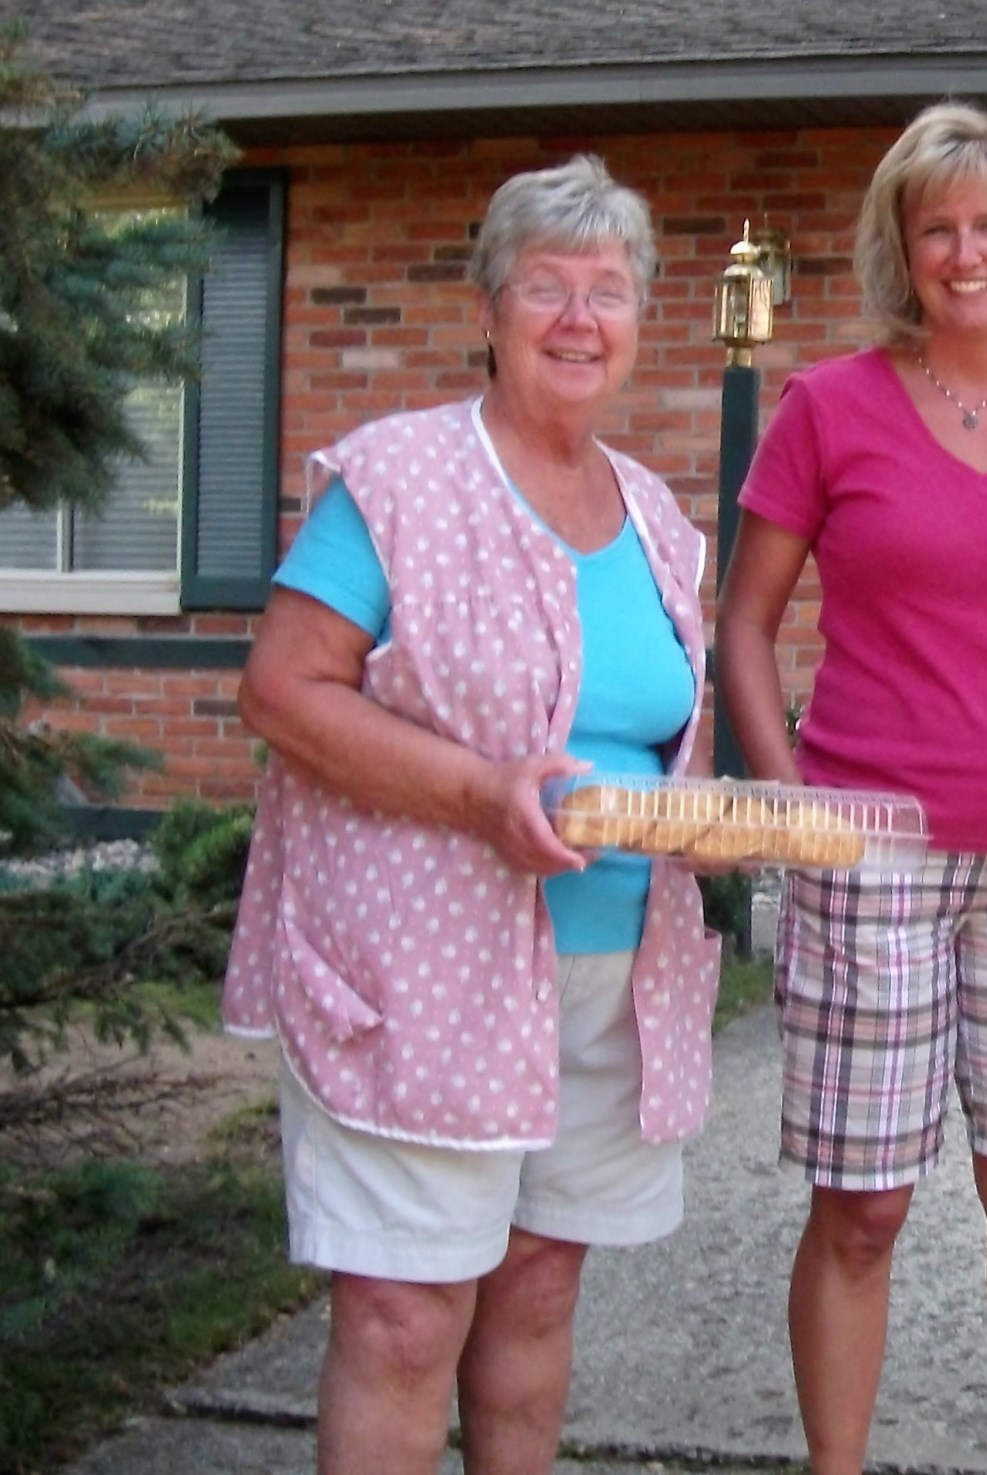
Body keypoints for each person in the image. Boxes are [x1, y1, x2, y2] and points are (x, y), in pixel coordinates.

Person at [223, 155, 721, 1475]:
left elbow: (652, 730)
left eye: (608, 290)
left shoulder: (655, 516)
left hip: (608, 973)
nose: (579, 318)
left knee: (539, 1290)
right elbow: (282, 689)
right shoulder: (399, 479)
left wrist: (700, 818)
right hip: (421, 971)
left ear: (639, 320)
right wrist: (476, 791)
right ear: (489, 309)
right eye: (546, 286)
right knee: (405, 1317)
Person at [717, 101, 987, 1475]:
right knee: (863, 1209)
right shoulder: (827, 409)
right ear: (903, 248)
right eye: (939, 227)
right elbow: (744, 624)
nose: (967, 253)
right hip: (873, 855)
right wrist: (790, 803)